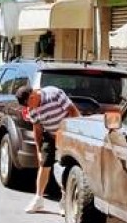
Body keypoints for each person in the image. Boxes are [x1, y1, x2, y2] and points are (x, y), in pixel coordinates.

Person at [15, 85, 80, 214]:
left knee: (66, 166)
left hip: (67, 135)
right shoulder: (31, 109)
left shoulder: (54, 94)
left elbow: (73, 111)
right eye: (28, 106)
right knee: (44, 164)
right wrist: (39, 150)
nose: (31, 108)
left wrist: (71, 134)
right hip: (50, 135)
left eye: (30, 103)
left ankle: (65, 201)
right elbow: (37, 129)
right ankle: (38, 199)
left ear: (33, 95)